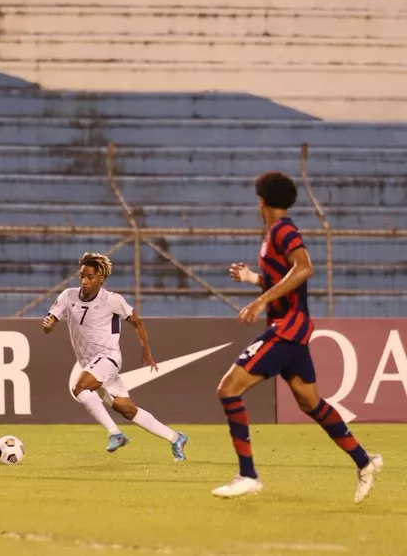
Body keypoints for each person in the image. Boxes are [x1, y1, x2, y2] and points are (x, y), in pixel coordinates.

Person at [212, 171, 381, 501]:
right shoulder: (275, 232)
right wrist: (252, 279)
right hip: (294, 329)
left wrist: (261, 300)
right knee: (310, 402)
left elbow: (304, 268)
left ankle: (247, 474)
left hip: (286, 329)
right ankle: (365, 461)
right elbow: (284, 277)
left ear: (261, 200)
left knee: (228, 389)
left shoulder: (283, 230)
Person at [43, 252, 189, 460]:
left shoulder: (112, 300)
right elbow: (50, 321)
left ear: (101, 278)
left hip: (108, 358)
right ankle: (176, 438)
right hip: (90, 362)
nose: (84, 281)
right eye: (82, 276)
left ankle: (115, 433)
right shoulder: (68, 296)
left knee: (80, 388)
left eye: (90, 277)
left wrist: (146, 351)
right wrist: (47, 324)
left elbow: (137, 322)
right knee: (128, 410)